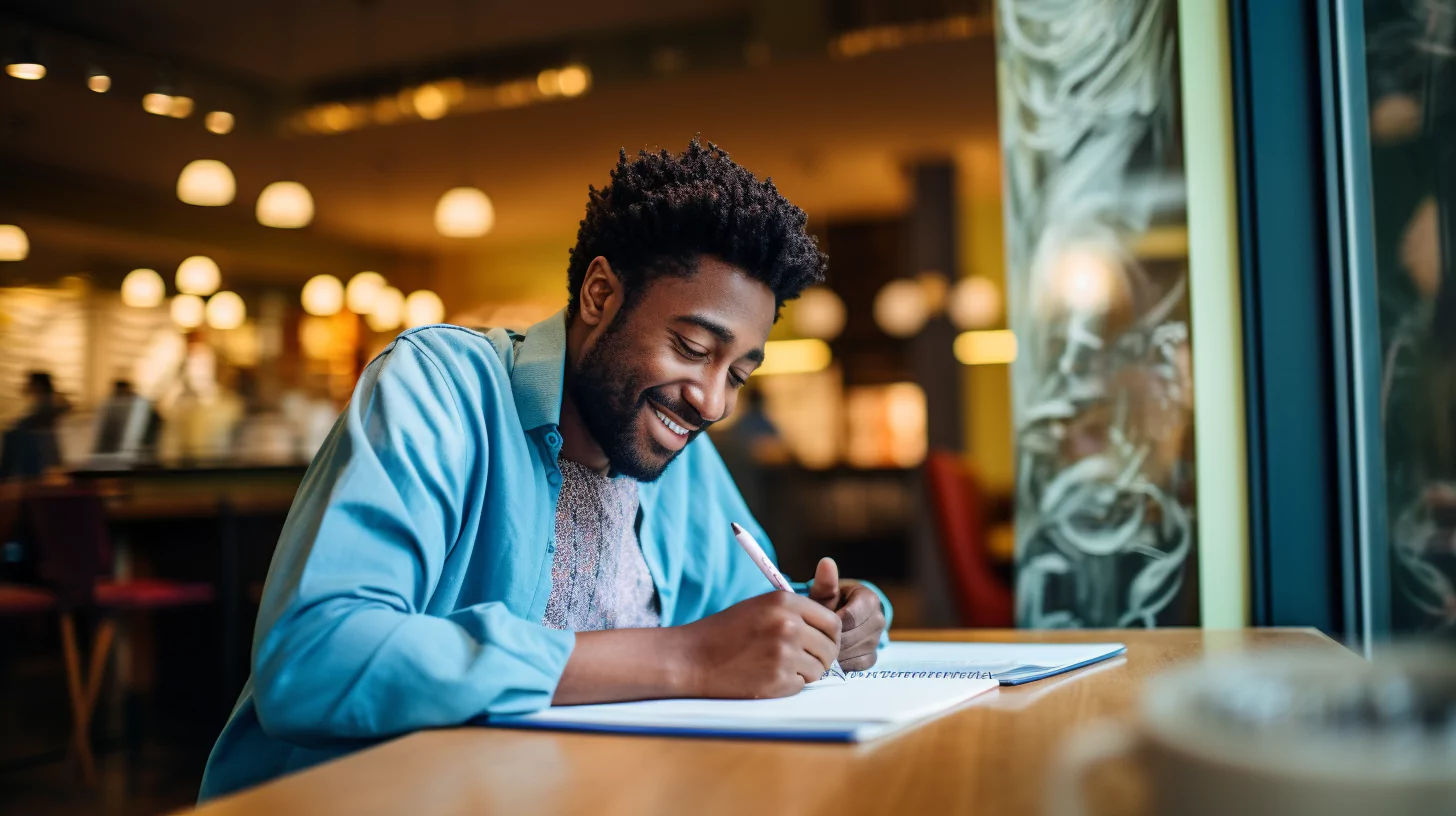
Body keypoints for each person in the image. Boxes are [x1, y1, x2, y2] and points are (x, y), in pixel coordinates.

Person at [199, 139, 891, 800]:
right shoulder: (441, 386)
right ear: (599, 295)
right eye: (690, 346)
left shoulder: (679, 451)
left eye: (737, 373)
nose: (711, 401)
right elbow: (316, 661)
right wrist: (686, 660)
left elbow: (744, 613)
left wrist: (826, 619)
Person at [0, 371, 70, 480]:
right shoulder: (45, 402)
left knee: (11, 436)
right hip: (39, 450)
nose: (25, 386)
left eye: (28, 383)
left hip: (37, 451)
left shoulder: (47, 403)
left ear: (37, 385)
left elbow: (27, 423)